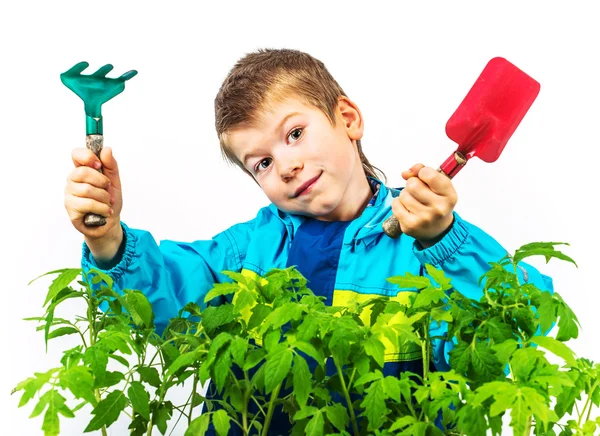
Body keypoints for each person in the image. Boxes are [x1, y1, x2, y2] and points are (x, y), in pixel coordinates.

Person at [64, 48, 553, 434]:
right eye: (261, 162)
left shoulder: (423, 241)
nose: (287, 165)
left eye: (295, 133)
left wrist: (445, 240)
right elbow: (167, 299)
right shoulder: (247, 254)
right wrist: (109, 241)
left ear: (348, 118)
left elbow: (522, 323)